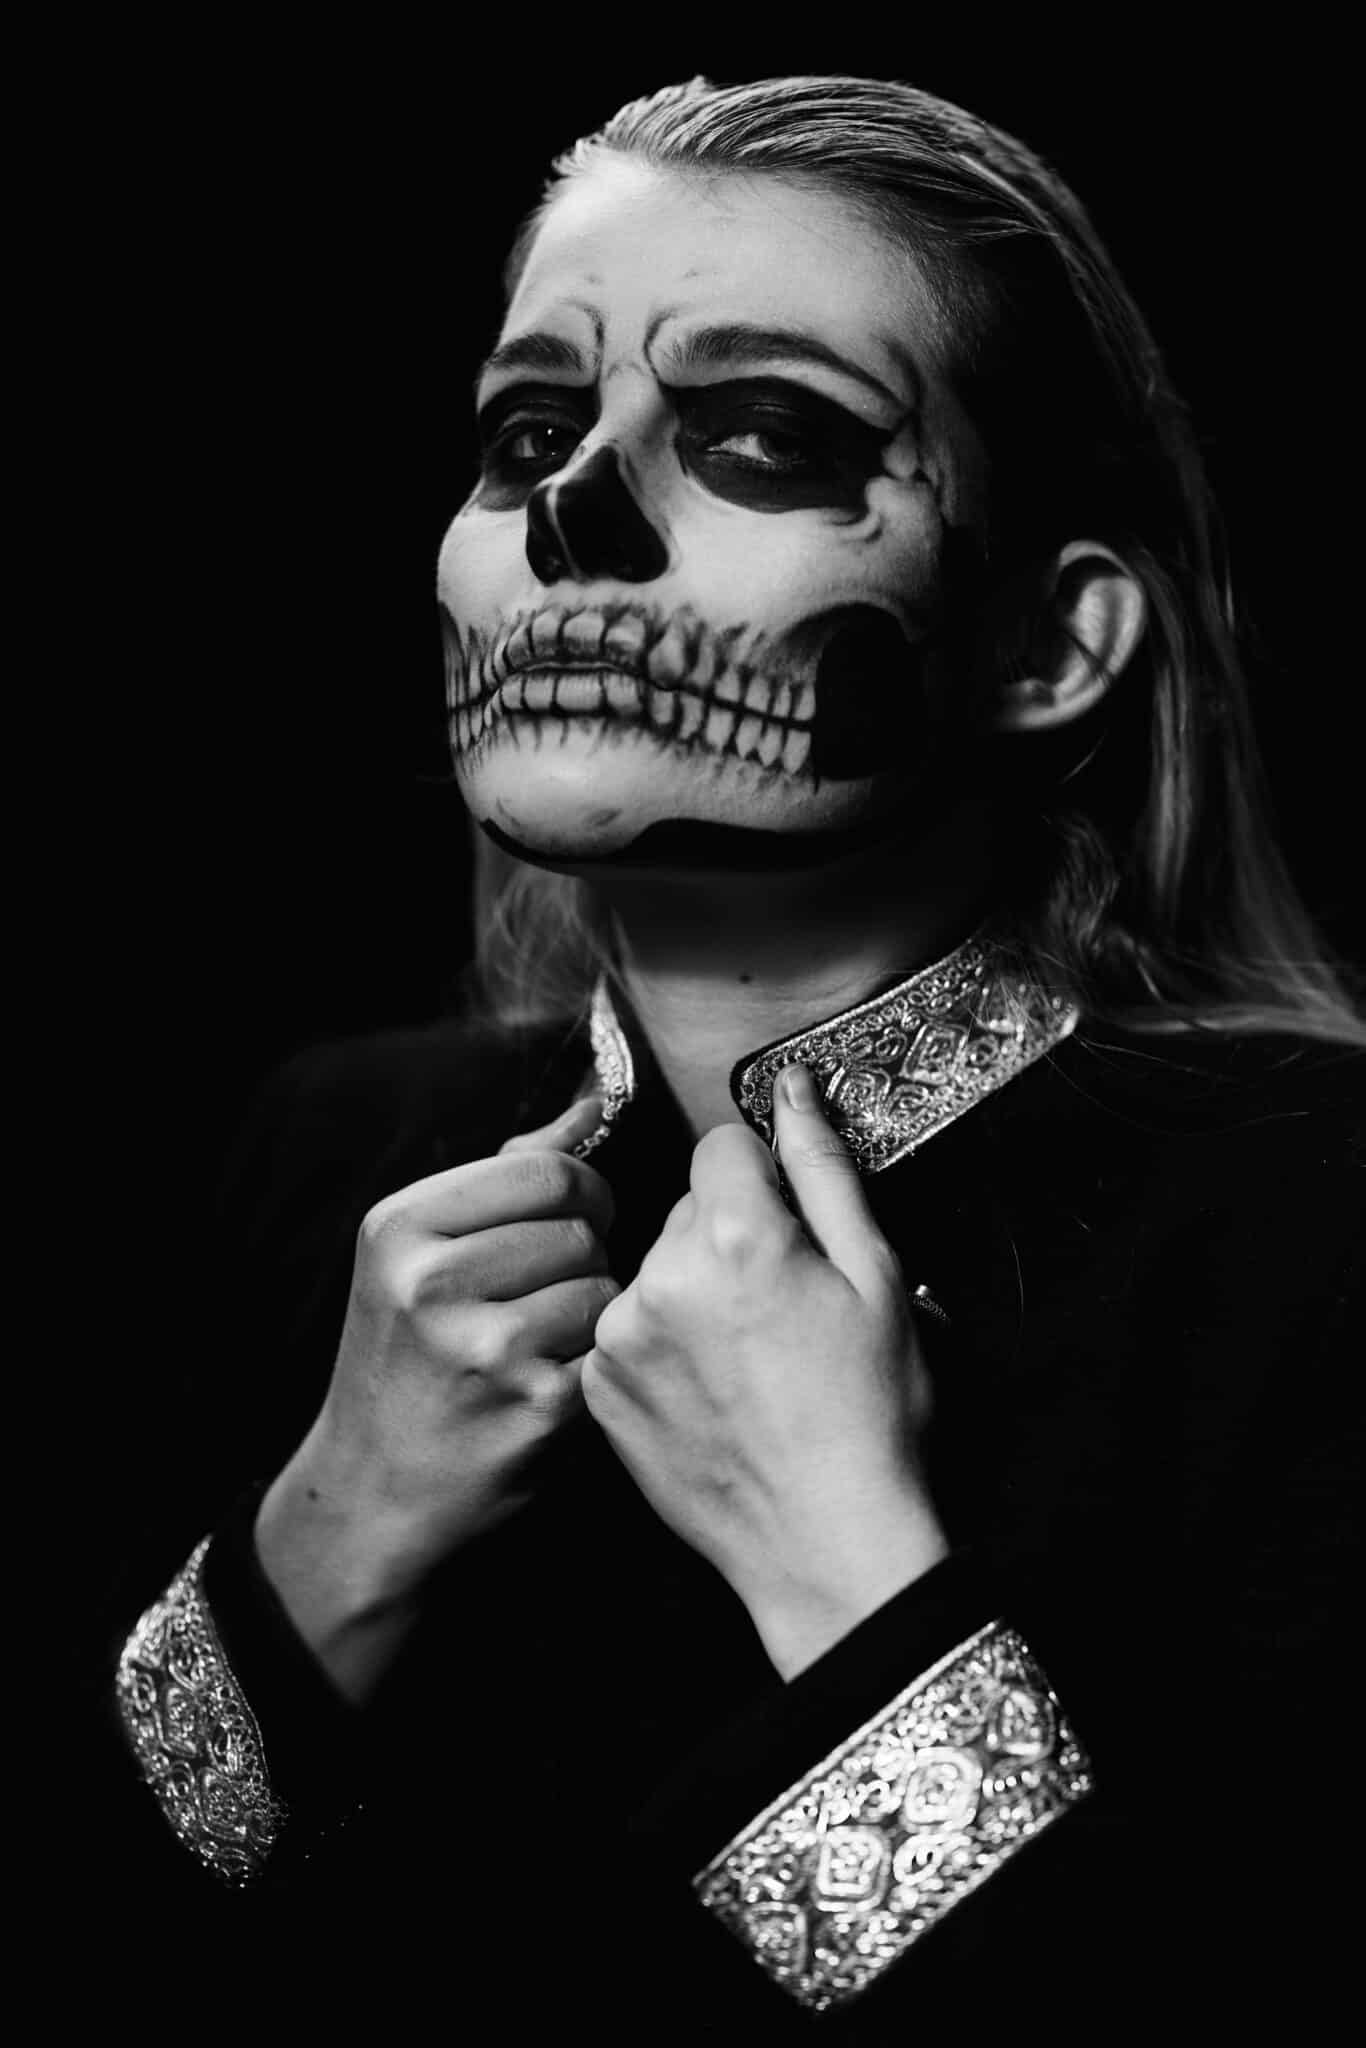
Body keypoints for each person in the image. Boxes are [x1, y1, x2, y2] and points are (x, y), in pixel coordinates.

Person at [103, 75, 1362, 2035]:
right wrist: (329, 1534)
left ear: (1047, 648)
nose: (568, 515)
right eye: (527, 433)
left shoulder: (1312, 1208)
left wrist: (844, 1564)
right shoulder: (327, 1150)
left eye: (762, 433)